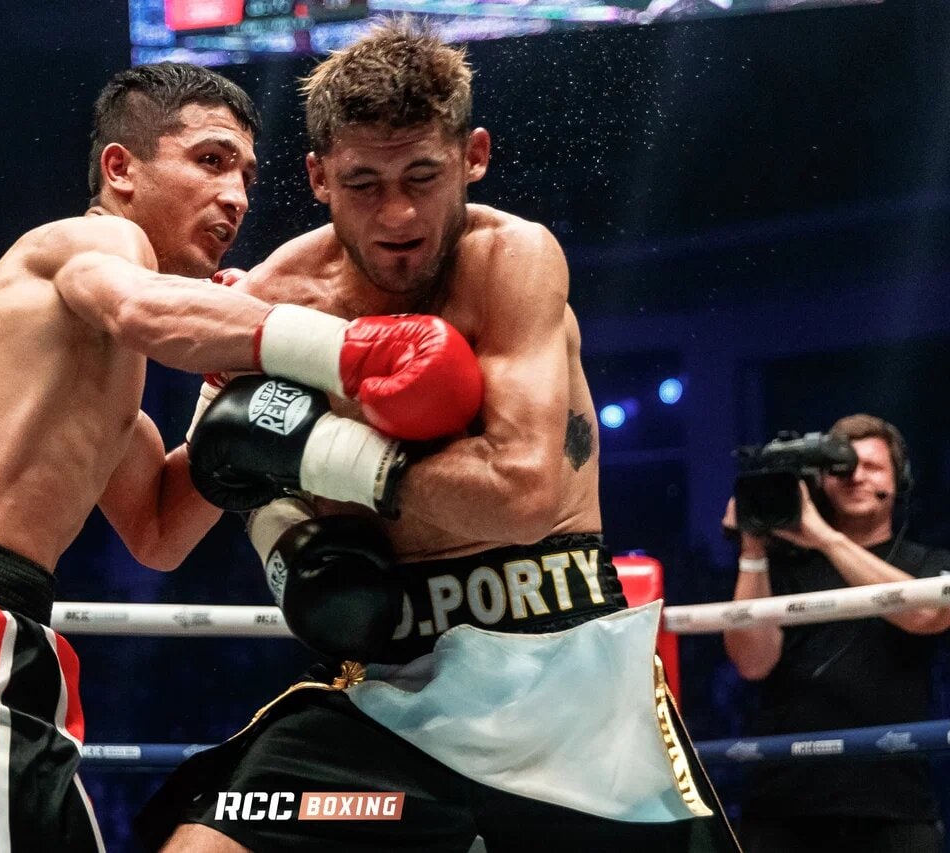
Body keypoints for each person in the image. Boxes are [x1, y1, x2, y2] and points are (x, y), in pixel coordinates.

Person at [0, 61, 483, 852]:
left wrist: (228, 404)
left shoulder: (91, 375)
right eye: (209, 160)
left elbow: (157, 531)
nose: (235, 195)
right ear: (121, 168)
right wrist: (344, 346)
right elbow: (142, 307)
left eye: (245, 174)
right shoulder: (94, 239)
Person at [137, 19, 739, 852]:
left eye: (422, 175)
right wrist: (120, 367)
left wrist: (315, 447)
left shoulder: (511, 259)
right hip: (391, 695)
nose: (399, 214)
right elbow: (166, 529)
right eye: (363, 183)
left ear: (472, 156)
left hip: (567, 677)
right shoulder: (275, 299)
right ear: (317, 176)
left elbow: (523, 494)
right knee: (210, 839)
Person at [723, 413, 950, 853]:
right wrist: (752, 549)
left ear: (899, 480)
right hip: (784, 802)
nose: (855, 477)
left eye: (872, 467)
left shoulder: (927, 562)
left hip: (893, 802)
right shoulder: (785, 566)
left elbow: (927, 615)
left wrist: (826, 538)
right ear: (820, 483)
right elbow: (751, 663)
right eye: (841, 469)